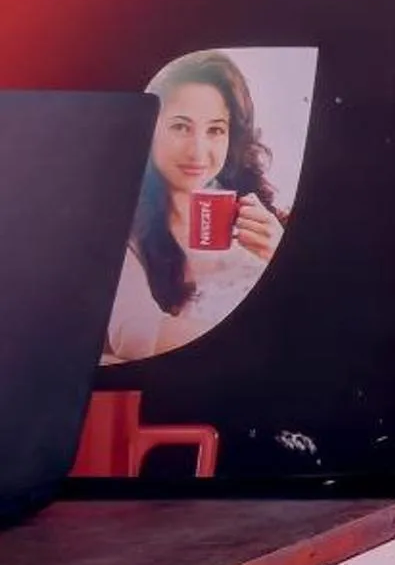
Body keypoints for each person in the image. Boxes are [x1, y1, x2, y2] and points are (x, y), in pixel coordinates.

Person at [103, 53, 289, 363]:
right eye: (180, 127)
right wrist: (253, 345)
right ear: (148, 130)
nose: (197, 151)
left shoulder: (269, 215)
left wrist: (282, 255)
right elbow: (135, 334)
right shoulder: (122, 227)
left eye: (215, 130)